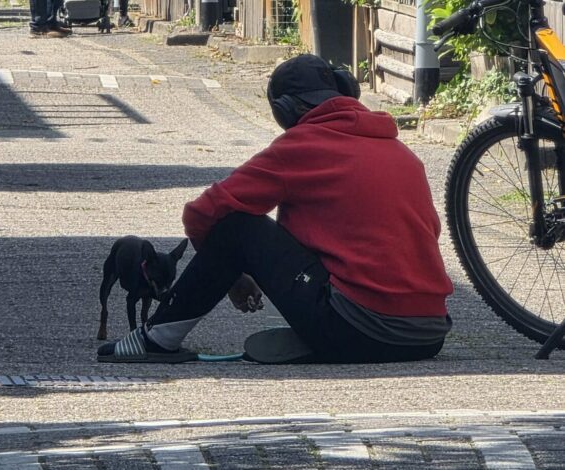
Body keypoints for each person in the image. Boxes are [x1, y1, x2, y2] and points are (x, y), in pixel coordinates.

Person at [97, 54, 454, 364]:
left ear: (285, 111)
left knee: (236, 224)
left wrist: (233, 276)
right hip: (428, 336)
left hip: (359, 326)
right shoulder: (403, 155)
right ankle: (329, 340)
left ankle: (158, 337)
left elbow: (202, 212)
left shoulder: (302, 145)